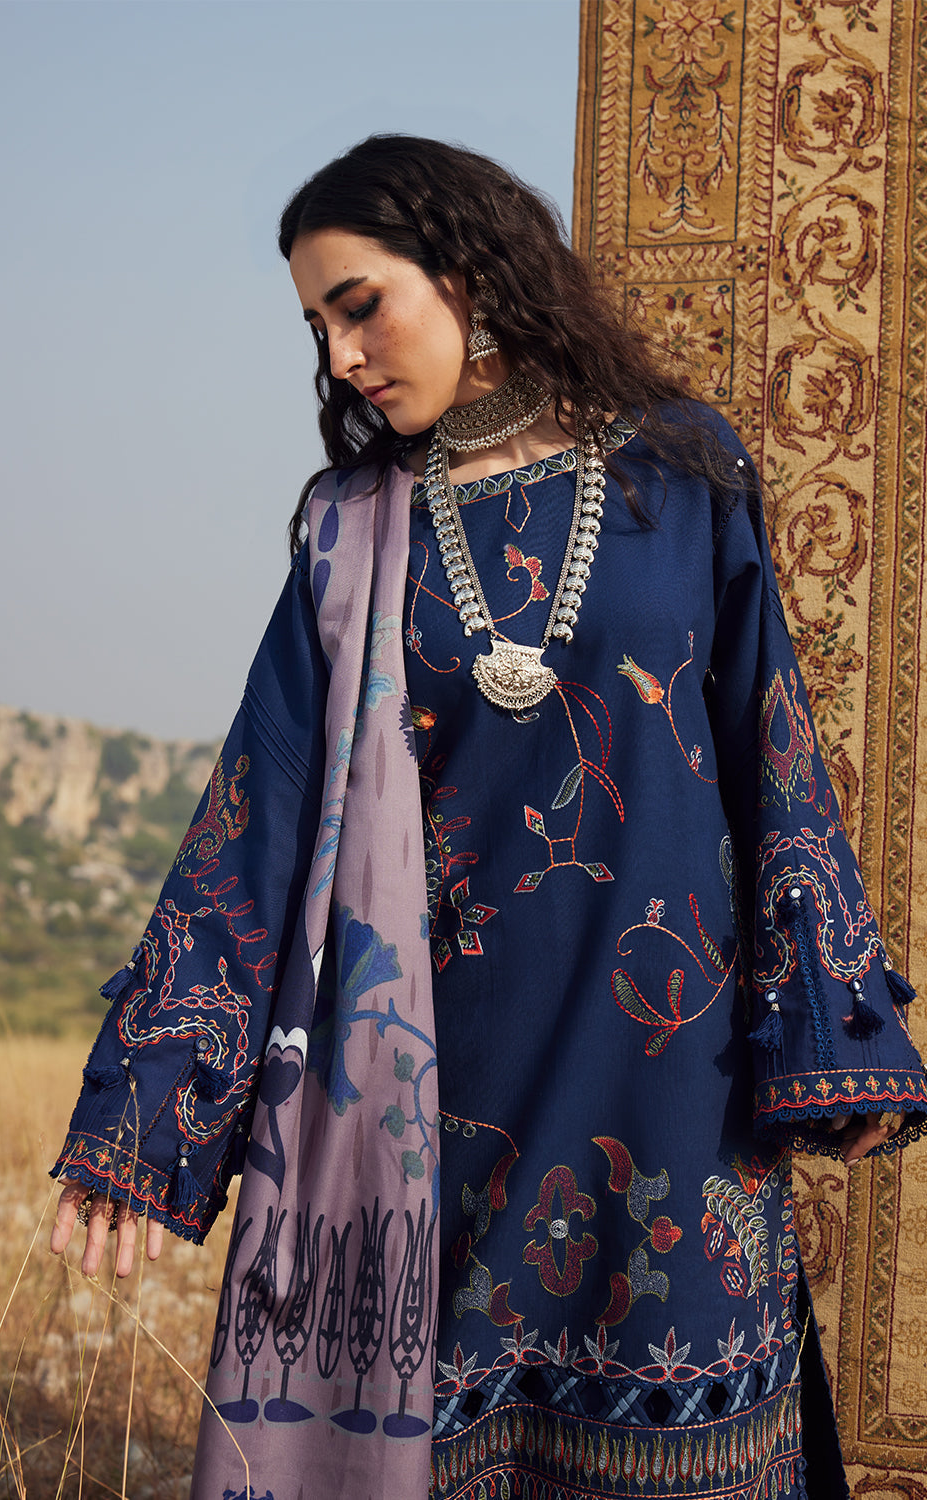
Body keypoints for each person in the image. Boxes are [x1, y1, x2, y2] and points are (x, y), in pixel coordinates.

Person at [51, 136, 927, 1500]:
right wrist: (145, 1116)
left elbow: (774, 748)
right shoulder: (351, 531)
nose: (342, 357)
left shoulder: (681, 473)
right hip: (435, 1112)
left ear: (468, 270)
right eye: (318, 328)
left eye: (360, 306)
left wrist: (834, 1027)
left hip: (672, 1086)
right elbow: (258, 813)